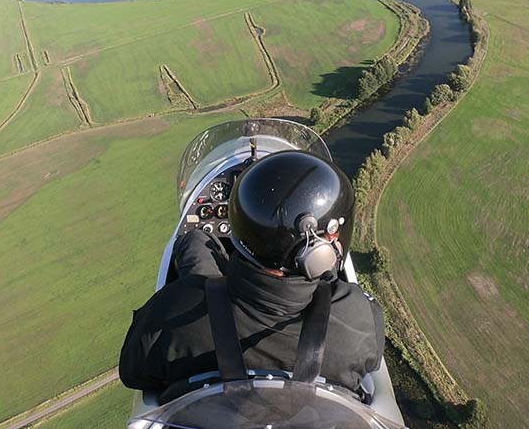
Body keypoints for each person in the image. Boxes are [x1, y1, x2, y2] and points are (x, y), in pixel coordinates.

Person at [118, 149, 385, 399]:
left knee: (197, 243)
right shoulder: (358, 317)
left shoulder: (174, 311)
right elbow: (370, 361)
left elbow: (132, 372)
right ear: (319, 252)